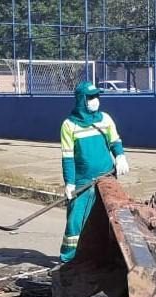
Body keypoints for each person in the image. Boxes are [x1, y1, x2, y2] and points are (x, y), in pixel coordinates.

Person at [59, 81, 129, 262]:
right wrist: (70, 182)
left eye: (96, 96)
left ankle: (104, 260)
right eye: (90, 97)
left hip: (106, 179)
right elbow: (68, 157)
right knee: (75, 221)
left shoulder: (105, 119)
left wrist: (120, 156)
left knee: (109, 220)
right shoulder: (69, 125)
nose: (95, 100)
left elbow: (115, 141)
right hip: (83, 182)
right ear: (81, 100)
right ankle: (69, 260)